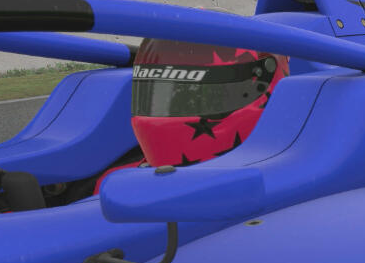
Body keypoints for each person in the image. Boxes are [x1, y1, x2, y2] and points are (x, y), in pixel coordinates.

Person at [94, 39, 289, 192]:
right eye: (158, 95)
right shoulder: (112, 182)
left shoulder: (286, 185)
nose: (165, 109)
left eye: (193, 96)